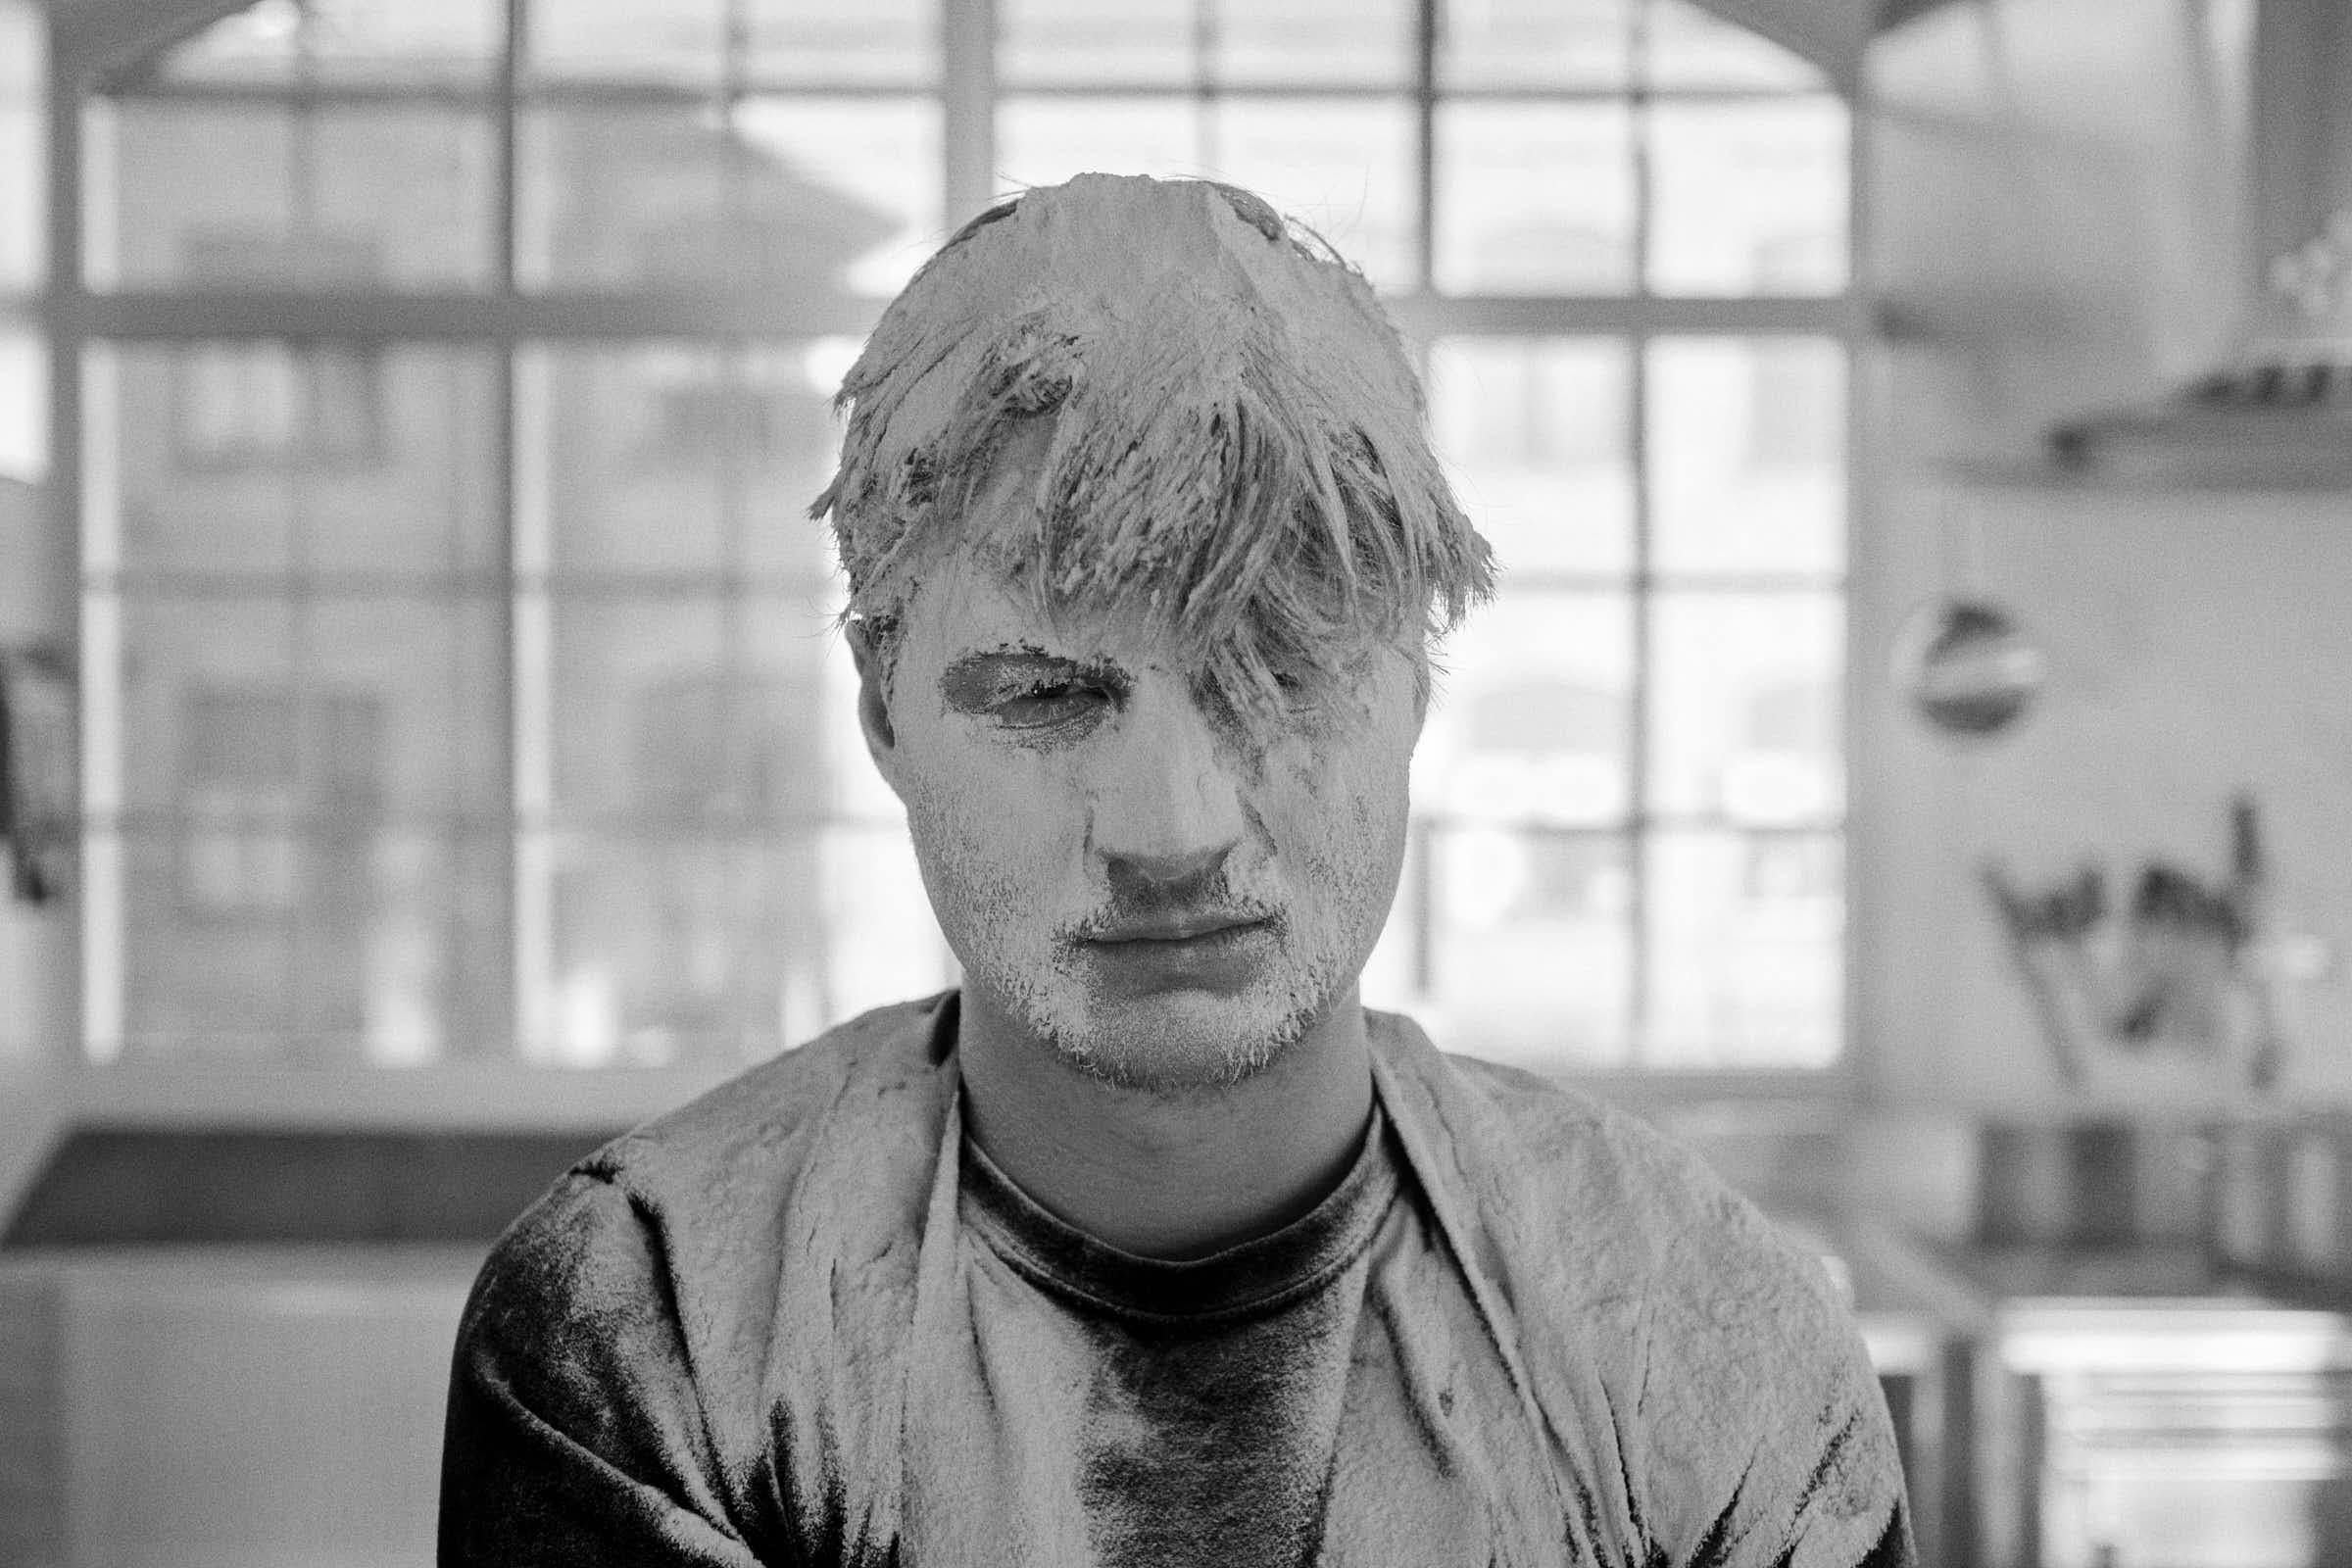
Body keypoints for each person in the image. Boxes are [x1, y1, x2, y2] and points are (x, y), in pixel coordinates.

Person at [439, 172, 1914, 1568]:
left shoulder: (1703, 1336)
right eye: (1045, 696)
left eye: (1274, 672)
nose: (1169, 828)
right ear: (885, 713)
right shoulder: (652, 1329)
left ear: (1417, 688)